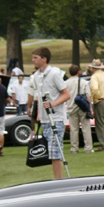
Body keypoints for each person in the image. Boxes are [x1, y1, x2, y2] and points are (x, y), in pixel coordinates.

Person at [30, 47, 70, 179]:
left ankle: (58, 181)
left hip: (56, 118)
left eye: (35, 57)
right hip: (45, 120)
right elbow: (39, 96)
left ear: (44, 59)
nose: (33, 60)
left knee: (55, 152)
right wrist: (38, 114)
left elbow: (66, 94)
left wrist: (52, 104)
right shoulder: (36, 76)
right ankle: (57, 180)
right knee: (49, 152)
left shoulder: (54, 74)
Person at [64, 65, 93, 154]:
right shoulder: (84, 82)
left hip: (71, 107)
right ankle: (88, 148)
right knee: (86, 128)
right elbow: (88, 96)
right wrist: (90, 108)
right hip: (83, 107)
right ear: (78, 72)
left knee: (74, 129)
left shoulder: (66, 83)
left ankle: (74, 148)